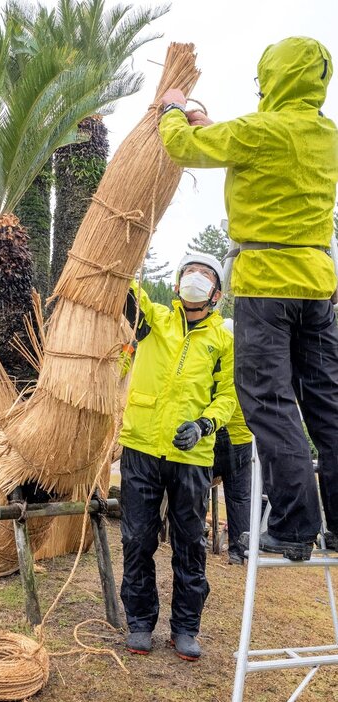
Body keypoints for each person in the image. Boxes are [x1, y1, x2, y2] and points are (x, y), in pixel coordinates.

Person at [159, 37, 338, 561]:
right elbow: (235, 139)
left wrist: (173, 110)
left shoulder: (258, 130)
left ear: (274, 80)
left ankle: (293, 524)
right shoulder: (326, 135)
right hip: (318, 284)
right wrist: (203, 118)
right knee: (327, 405)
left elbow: (184, 147)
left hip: (266, 282)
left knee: (267, 399)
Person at [118, 253, 235, 661]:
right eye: (189, 273)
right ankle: (139, 623)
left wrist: (205, 424)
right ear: (178, 284)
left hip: (192, 456)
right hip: (141, 446)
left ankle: (185, 628)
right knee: (136, 539)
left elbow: (228, 397)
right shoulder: (155, 321)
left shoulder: (223, 340)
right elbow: (127, 289)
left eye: (205, 276)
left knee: (189, 543)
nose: (195, 280)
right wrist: (132, 241)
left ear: (216, 294)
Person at [212, 319, 252, 566]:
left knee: (195, 487)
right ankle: (238, 552)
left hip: (218, 432)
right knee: (239, 497)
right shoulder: (249, 361)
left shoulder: (218, 357)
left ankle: (191, 537)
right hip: (242, 436)